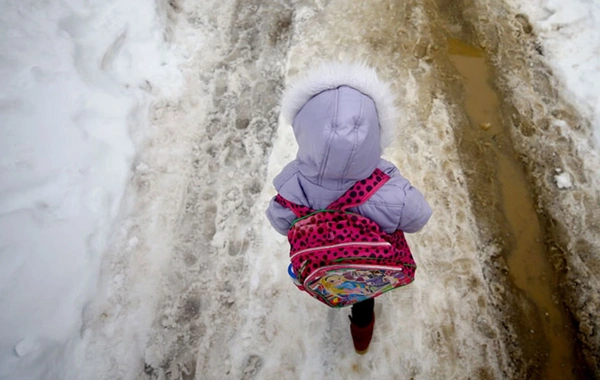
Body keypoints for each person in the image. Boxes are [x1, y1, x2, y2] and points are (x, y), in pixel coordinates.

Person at [266, 62, 432, 353]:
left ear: (304, 131)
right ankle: (361, 340)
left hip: (321, 263)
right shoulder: (389, 191)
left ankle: (331, 292)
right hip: (364, 264)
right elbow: (418, 217)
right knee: (362, 297)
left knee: (333, 280)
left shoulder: (293, 185)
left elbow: (279, 220)